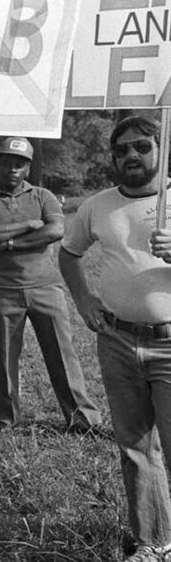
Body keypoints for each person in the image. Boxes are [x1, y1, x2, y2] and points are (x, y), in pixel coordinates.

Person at [60, 116, 171, 562]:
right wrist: (84, 300)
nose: (132, 156)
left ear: (161, 149)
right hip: (118, 341)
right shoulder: (97, 206)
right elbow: (68, 255)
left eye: (142, 146)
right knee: (136, 448)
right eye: (122, 149)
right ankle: (154, 542)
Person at [0, 137, 101, 431]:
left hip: (45, 286)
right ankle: (6, 418)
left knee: (62, 353)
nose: (13, 169)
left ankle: (82, 419)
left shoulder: (43, 196)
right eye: (8, 162)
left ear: (27, 168)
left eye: (20, 164)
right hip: (2, 288)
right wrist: (29, 225)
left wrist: (12, 243)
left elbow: (55, 230)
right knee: (3, 355)